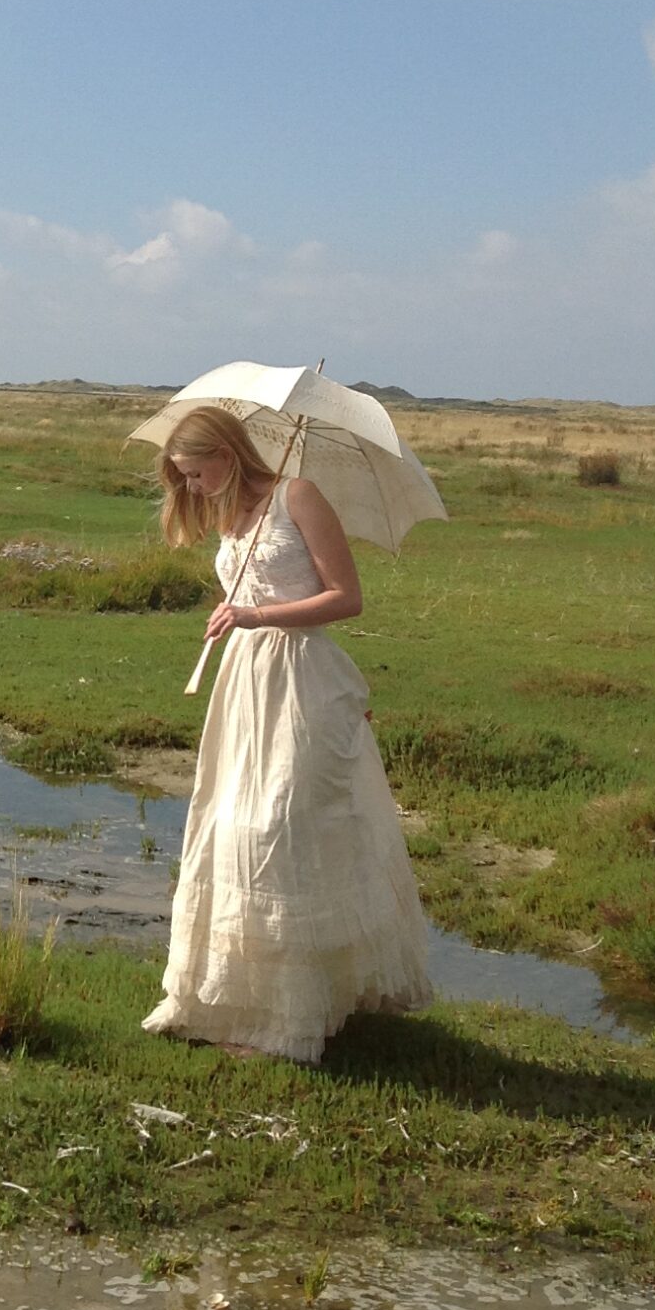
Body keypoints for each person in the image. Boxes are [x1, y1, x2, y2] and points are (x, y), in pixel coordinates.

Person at [140, 404, 432, 1063]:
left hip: (303, 682)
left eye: (195, 472)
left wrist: (256, 613)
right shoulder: (229, 513)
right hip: (246, 683)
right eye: (181, 478)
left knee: (286, 827)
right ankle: (235, 1001)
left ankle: (303, 1012)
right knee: (232, 824)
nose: (191, 487)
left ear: (227, 453)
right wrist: (236, 616)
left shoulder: (298, 495)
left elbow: (346, 597)